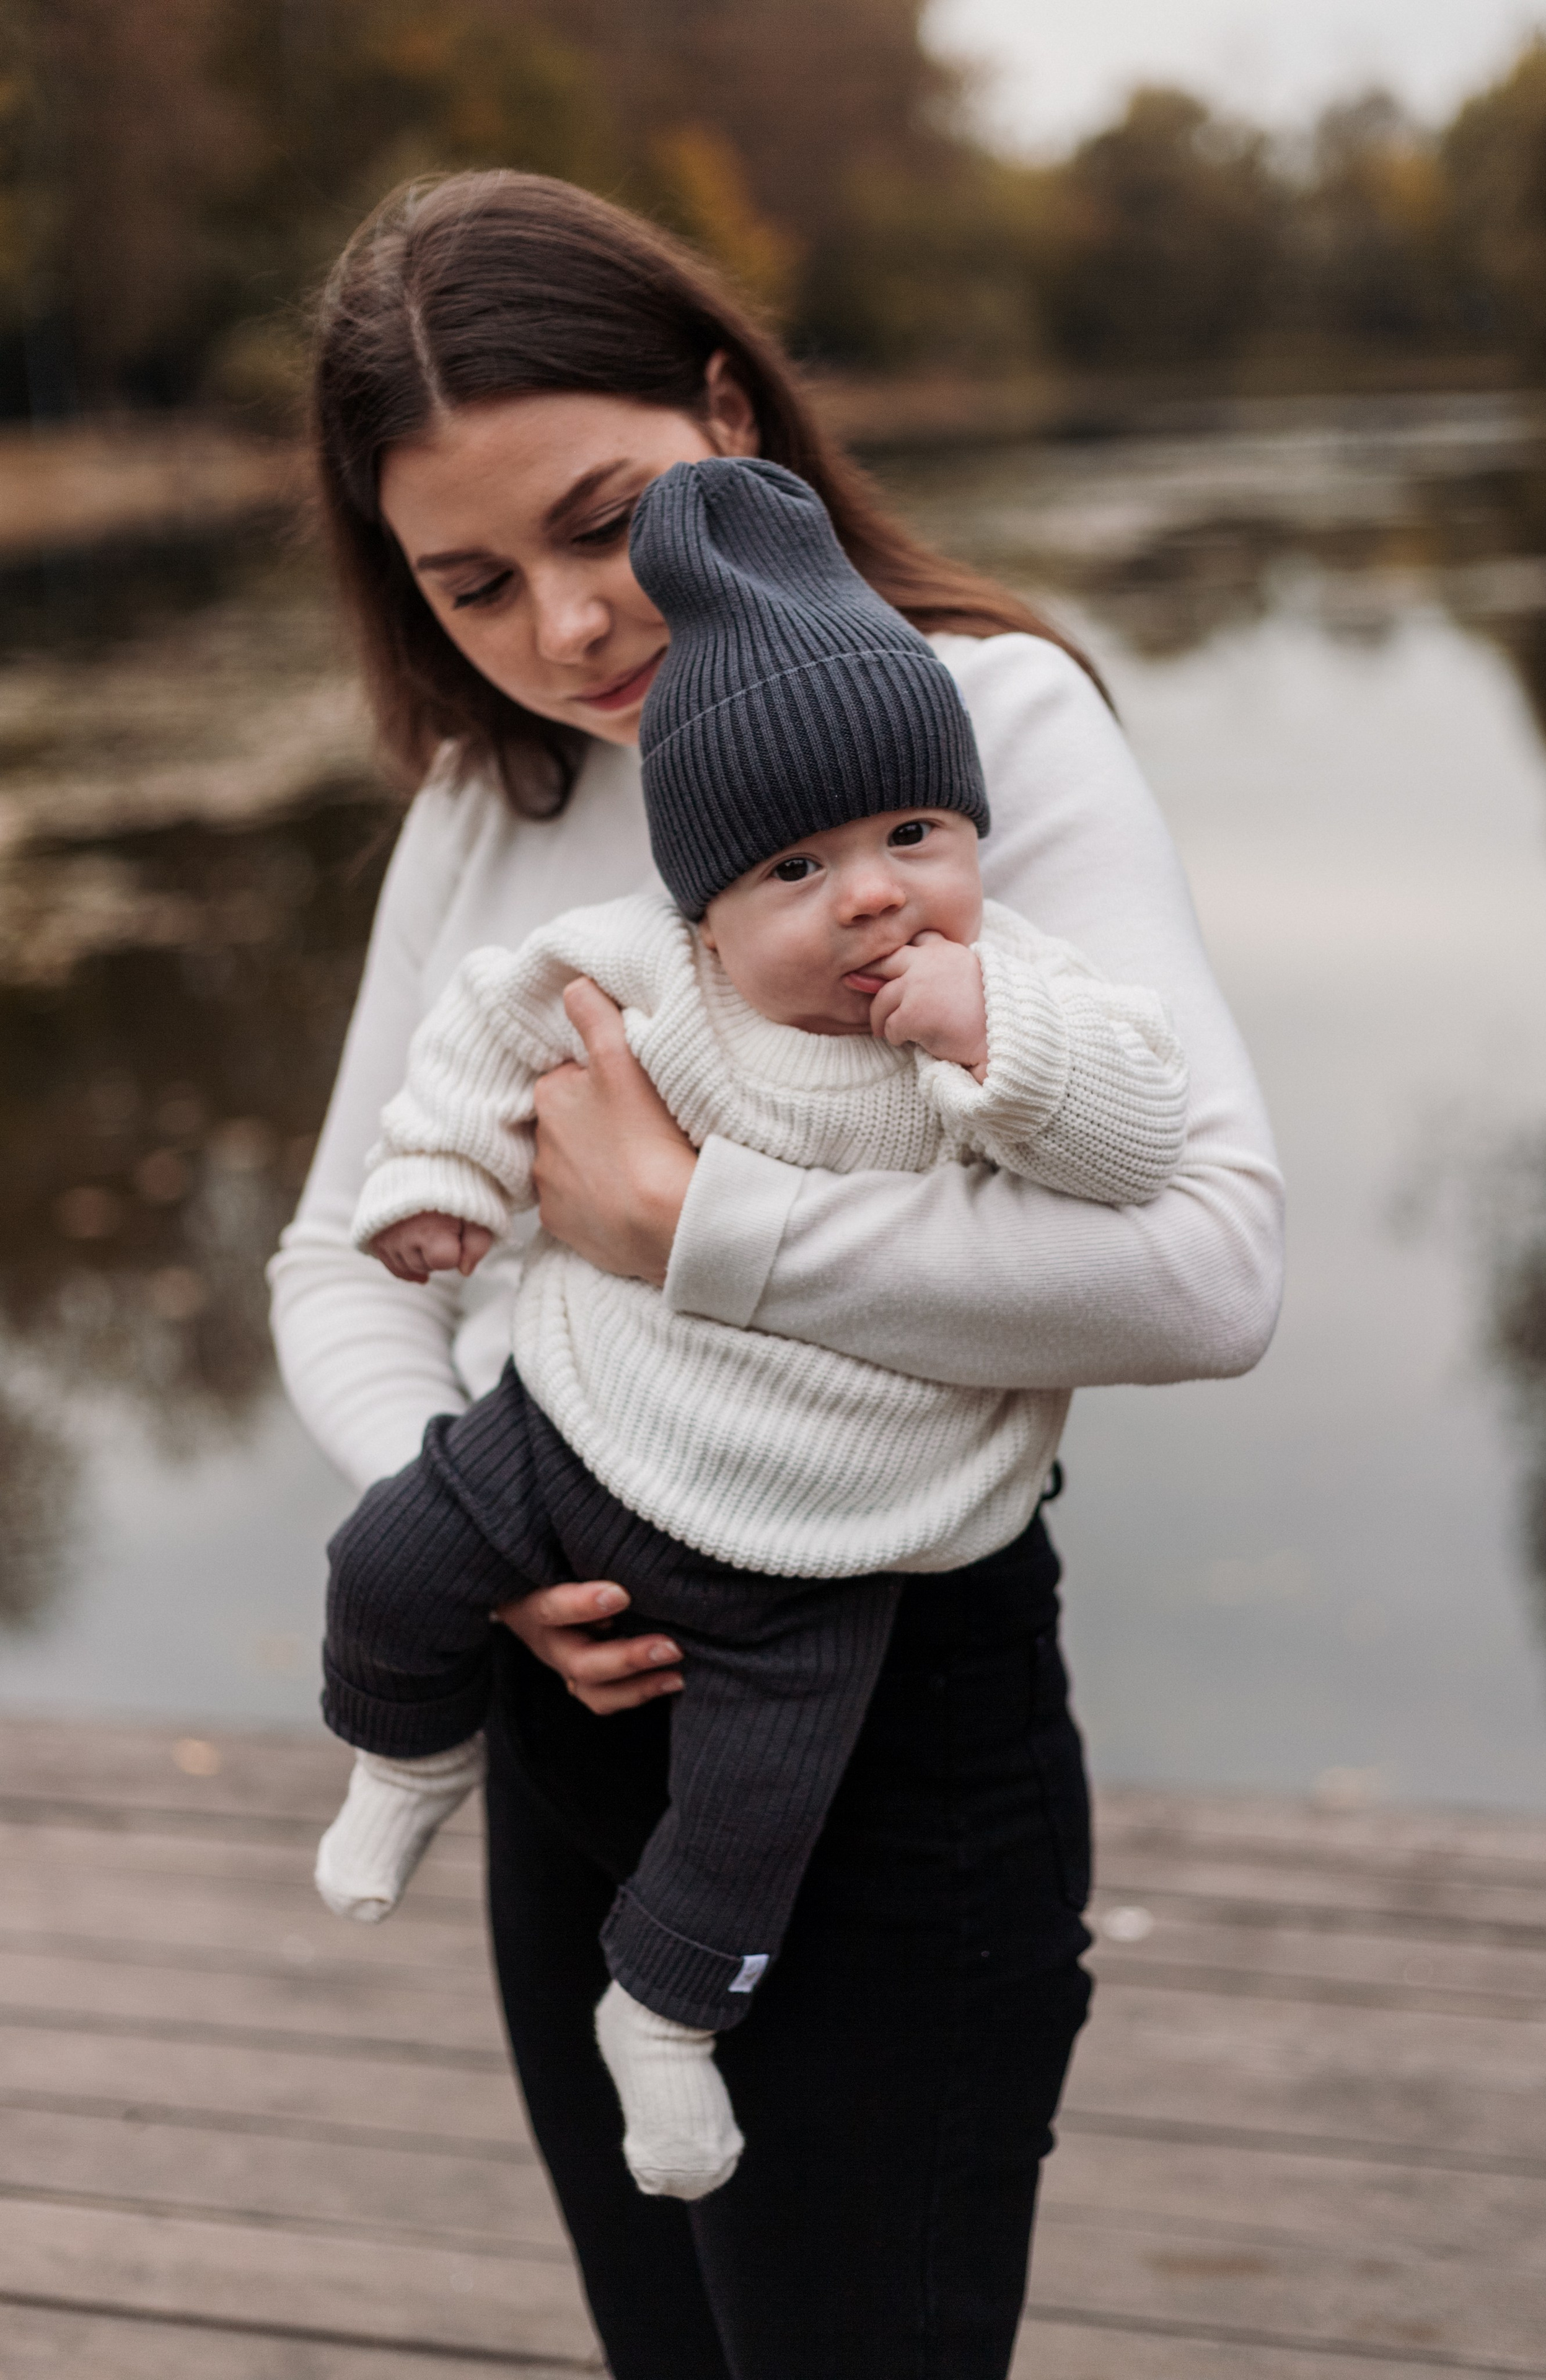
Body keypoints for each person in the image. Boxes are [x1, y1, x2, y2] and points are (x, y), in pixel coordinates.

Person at [270, 169, 1283, 2380]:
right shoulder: (488, 808)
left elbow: (1209, 1271)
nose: (561, 629)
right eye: (468, 581)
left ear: (730, 417)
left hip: (885, 1709)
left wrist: (693, 1236)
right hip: (566, 1711)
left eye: (603, 516)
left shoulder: (974, 730)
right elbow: (339, 1262)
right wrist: (478, 1519)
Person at [310, 452, 1192, 2203]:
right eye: (802, 865)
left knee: (750, 1820)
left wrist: (998, 1041)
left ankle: (672, 2019)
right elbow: (490, 1033)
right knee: (389, 1553)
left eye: (914, 841)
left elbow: (1148, 1153)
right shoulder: (647, 967)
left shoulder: (1011, 988)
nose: (875, 895)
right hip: (572, 1440)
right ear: (705, 905)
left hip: (832, 1552)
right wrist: (444, 1186)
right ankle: (407, 1747)